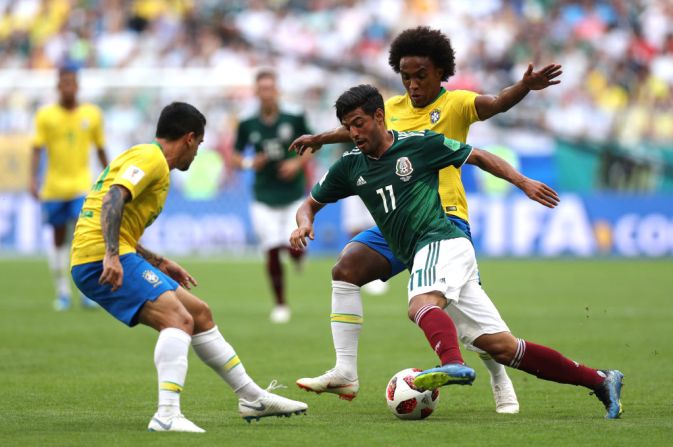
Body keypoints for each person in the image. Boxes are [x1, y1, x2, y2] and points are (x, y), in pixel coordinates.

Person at [291, 84, 624, 420]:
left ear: (379, 116)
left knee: (421, 303)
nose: (353, 132)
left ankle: (452, 364)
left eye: (359, 123)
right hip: (422, 251)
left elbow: (477, 154)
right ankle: (600, 380)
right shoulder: (350, 166)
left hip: (440, 240)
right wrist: (304, 224)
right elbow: (310, 204)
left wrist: (523, 182)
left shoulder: (419, 144)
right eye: (348, 126)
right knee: (502, 346)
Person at [291, 26, 562, 413]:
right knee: (346, 269)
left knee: (464, 317)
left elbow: (497, 103)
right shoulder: (394, 109)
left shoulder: (458, 104)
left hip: (444, 220)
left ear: (440, 72)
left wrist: (524, 88)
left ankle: (499, 377)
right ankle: (345, 370)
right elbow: (358, 127)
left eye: (421, 76)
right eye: (406, 76)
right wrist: (320, 138)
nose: (413, 84)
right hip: (397, 221)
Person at [70, 102, 308, 433]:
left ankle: (251, 397)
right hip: (100, 258)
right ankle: (167, 414)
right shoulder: (150, 158)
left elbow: (120, 219)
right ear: (189, 138)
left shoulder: (149, 161)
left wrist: (159, 261)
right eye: (198, 145)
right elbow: (113, 198)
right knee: (178, 319)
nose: (196, 154)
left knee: (199, 314)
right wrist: (111, 254)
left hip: (113, 253)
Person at [232, 69, 313, 324]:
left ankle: (299, 257)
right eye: (262, 89)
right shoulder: (247, 122)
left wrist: (297, 165)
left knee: (294, 246)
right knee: (270, 248)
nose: (267, 94)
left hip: (292, 194)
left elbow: (312, 144)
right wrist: (248, 163)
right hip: (263, 195)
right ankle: (280, 303)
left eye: (270, 88)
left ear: (277, 90)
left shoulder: (294, 116)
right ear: (256, 92)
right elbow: (235, 154)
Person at [31, 66, 109, 311]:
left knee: (81, 234)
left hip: (81, 186)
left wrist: (111, 178)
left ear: (77, 86)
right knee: (57, 238)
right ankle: (62, 290)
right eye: (63, 83)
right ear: (58, 87)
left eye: (71, 83)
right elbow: (36, 148)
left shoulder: (92, 114)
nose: (68, 87)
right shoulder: (45, 116)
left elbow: (100, 148)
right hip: (53, 187)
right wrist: (32, 179)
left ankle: (86, 292)